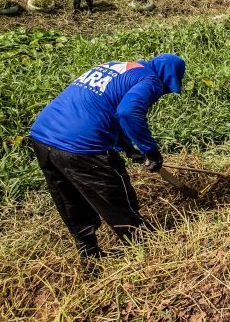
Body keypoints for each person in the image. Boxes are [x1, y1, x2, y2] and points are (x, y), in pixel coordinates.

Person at [29, 54, 186, 261]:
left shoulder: (118, 67)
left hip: (42, 136)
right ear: (169, 76)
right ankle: (148, 253)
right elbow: (128, 112)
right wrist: (150, 150)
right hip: (81, 145)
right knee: (116, 196)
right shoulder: (151, 79)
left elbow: (107, 108)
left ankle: (90, 257)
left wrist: (128, 148)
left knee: (69, 200)